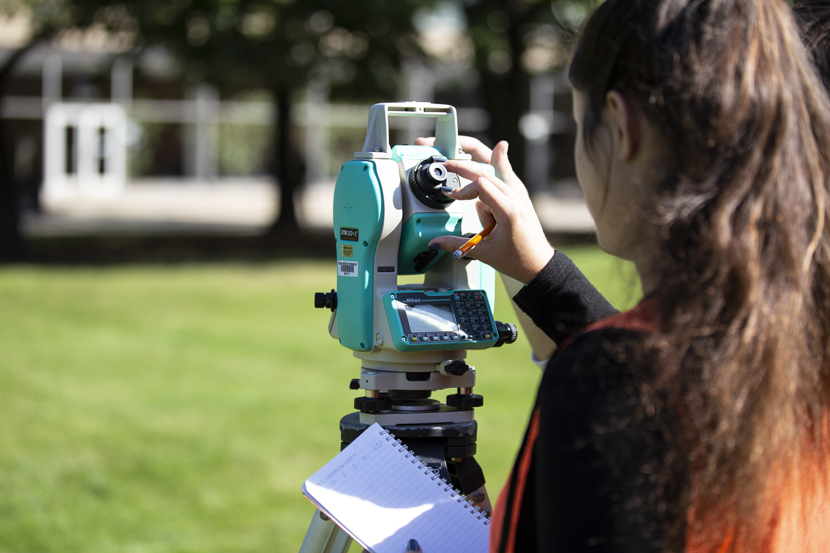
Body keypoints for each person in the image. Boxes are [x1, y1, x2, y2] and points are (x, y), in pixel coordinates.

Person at [419, 0, 830, 551]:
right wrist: (535, 269)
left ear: (621, 125)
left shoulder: (614, 380)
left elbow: (640, 378)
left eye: (579, 121)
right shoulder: (800, 332)